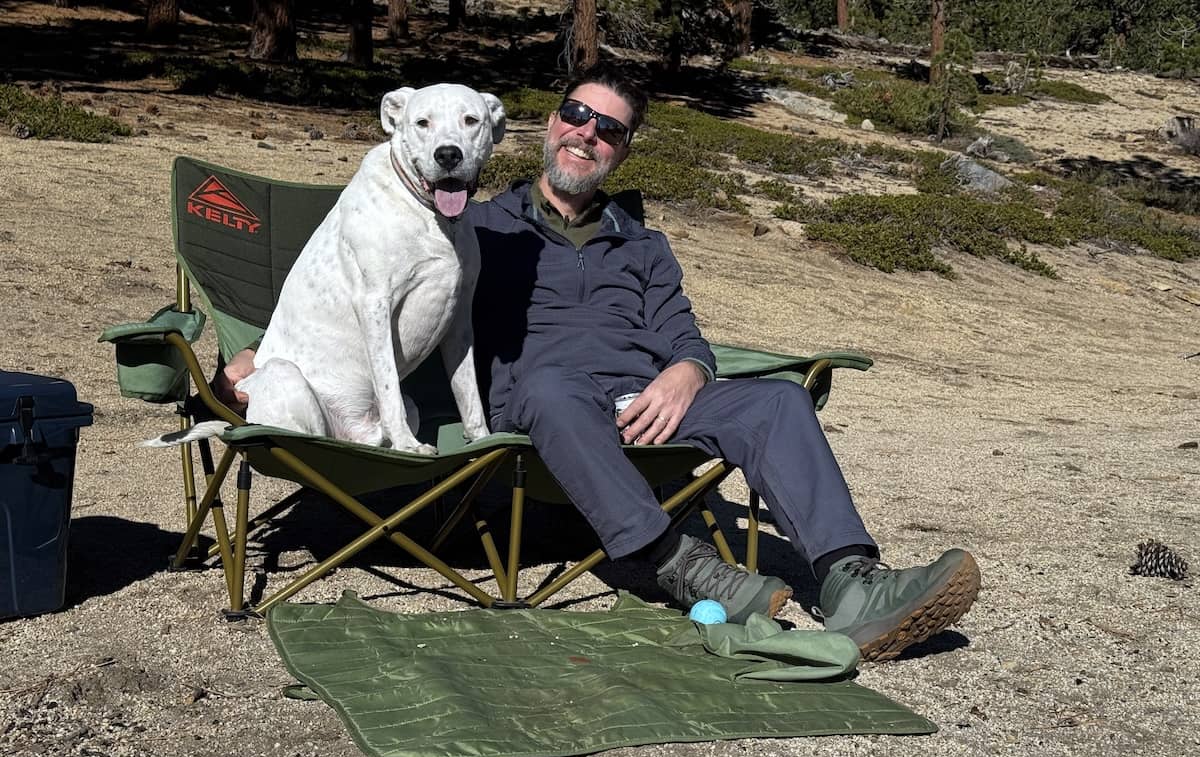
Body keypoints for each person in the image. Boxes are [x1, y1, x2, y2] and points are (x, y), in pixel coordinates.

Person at [216, 66, 980, 661]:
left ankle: (852, 584)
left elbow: (683, 334)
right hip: (542, 409)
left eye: (607, 129)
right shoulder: (477, 224)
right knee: (551, 387)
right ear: (550, 127)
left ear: (622, 148)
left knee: (779, 401)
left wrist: (688, 373)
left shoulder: (643, 245)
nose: (586, 135)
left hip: (645, 402)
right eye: (576, 116)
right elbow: (351, 278)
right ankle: (679, 564)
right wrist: (261, 351)